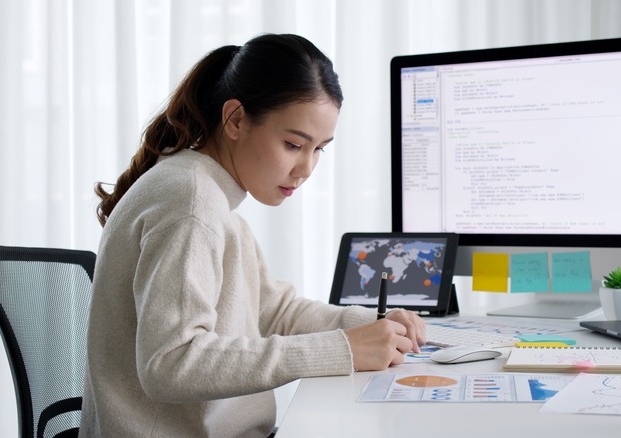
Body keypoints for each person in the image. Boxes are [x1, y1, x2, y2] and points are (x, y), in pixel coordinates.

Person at [79, 33, 426, 437]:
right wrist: (343, 349)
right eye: (294, 144)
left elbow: (275, 312)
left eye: (319, 149)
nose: (307, 168)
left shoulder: (207, 194)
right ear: (236, 119)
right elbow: (171, 362)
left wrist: (372, 325)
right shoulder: (191, 203)